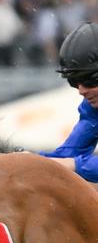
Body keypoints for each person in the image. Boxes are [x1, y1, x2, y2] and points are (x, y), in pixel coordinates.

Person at [40, 22, 98, 182]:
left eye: (89, 80)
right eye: (74, 82)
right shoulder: (92, 108)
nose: (81, 90)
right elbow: (67, 154)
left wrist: (74, 165)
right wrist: (29, 160)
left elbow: (69, 162)